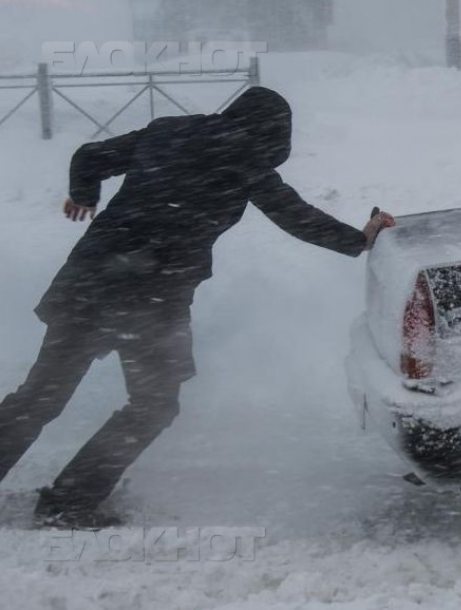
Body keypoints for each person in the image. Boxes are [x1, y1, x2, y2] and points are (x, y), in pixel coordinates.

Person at [0, 87, 395, 529]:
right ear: (274, 134)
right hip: (153, 298)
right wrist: (358, 240)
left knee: (41, 396)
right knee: (152, 405)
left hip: (90, 284)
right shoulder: (246, 160)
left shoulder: (167, 131)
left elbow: (90, 155)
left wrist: (85, 194)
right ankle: (68, 503)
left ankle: (68, 501)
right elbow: (296, 217)